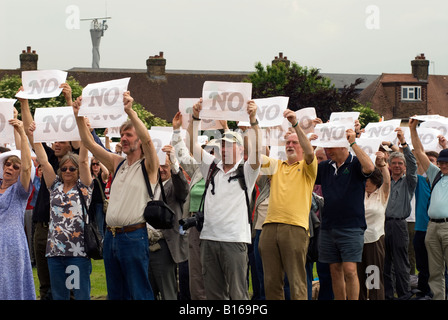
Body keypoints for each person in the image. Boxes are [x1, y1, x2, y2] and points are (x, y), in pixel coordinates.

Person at [72, 92, 159, 300]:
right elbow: (88, 142)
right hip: (111, 237)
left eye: (129, 135)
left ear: (138, 138)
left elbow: (147, 139)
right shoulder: (117, 162)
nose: (124, 139)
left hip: (134, 236)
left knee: (139, 292)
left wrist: (130, 111)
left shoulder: (149, 165)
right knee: (116, 293)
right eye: (122, 135)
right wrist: (78, 116)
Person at [186, 98, 261, 300]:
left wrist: (253, 120)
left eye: (230, 146)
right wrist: (194, 118)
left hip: (234, 241)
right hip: (209, 239)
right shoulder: (211, 167)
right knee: (213, 295)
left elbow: (257, 152)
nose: (225, 149)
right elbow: (190, 145)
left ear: (241, 150)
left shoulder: (247, 171)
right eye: (223, 146)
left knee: (238, 294)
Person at [19, 83, 80, 300]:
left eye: (62, 141)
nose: (56, 143)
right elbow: (30, 134)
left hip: (66, 229)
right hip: (42, 226)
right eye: (54, 140)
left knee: (68, 286)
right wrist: (24, 103)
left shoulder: (75, 165)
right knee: (45, 286)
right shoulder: (47, 156)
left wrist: (69, 102)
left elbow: (79, 134)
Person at [258, 110, 318, 300]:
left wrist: (295, 125)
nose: (290, 145)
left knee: (296, 280)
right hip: (269, 227)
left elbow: (309, 152)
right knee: (271, 282)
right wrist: (253, 123)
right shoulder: (276, 166)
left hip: (295, 227)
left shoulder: (308, 167)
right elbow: (255, 155)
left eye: (295, 143)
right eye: (288, 143)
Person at [32, 128, 93, 300]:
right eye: (64, 168)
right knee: (59, 296)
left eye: (72, 168)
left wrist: (84, 132)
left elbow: (83, 160)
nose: (67, 171)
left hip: (77, 253)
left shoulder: (84, 188)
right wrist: (34, 137)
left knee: (80, 295)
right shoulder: (54, 186)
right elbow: (44, 161)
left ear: (78, 171)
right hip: (54, 253)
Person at [315, 129, 375, 300]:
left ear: (343, 146)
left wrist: (354, 143)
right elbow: (306, 170)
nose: (327, 151)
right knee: (335, 270)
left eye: (331, 147)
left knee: (350, 270)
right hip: (328, 226)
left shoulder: (355, 163)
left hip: (352, 226)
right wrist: (310, 146)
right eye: (325, 147)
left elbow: (370, 168)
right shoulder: (325, 167)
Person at [170, 112, 221, 300]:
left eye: (215, 151)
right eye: (209, 151)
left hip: (216, 227)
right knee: (196, 273)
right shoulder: (198, 170)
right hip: (195, 225)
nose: (211, 154)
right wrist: (177, 130)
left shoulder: (226, 172)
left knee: (214, 271)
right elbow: (182, 153)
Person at [410, 117, 448, 300]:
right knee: (434, 270)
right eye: (441, 162)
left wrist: (446, 144)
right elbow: (418, 152)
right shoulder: (435, 174)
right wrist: (412, 130)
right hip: (432, 227)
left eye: (446, 162)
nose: (443, 165)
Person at [147, 145, 189, 300]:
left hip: (164, 246)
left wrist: (174, 164)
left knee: (167, 292)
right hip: (144, 244)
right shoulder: (149, 186)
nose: (161, 169)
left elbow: (183, 189)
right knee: (147, 292)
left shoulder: (174, 185)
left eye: (164, 166)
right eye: (158, 165)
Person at [0, 119, 35, 300]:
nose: (10, 168)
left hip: (11, 245)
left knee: (10, 285)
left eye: (15, 167)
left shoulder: (19, 191)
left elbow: (28, 167)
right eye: (8, 164)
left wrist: (22, 133)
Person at [383, 128, 417, 300]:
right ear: (389, 166)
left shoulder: (409, 182)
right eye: (394, 163)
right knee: (385, 263)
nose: (397, 166)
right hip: (383, 225)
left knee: (401, 262)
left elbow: (413, 164)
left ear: (404, 167)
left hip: (399, 225)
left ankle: (404, 294)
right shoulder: (384, 181)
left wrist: (403, 143)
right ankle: (388, 295)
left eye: (400, 164)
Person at [357, 151, 390, 300]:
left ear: (375, 181)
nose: (365, 183)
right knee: (358, 276)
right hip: (357, 240)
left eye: (368, 181)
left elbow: (387, 182)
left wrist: (382, 164)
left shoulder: (381, 194)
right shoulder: (359, 193)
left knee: (373, 277)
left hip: (374, 241)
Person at [90, 157, 109, 237]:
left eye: (97, 164)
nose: (95, 166)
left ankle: (101, 247)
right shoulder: (89, 175)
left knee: (99, 228)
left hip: (99, 204)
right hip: (90, 204)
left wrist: (99, 161)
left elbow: (106, 172)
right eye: (93, 164)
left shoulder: (102, 176)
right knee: (91, 226)